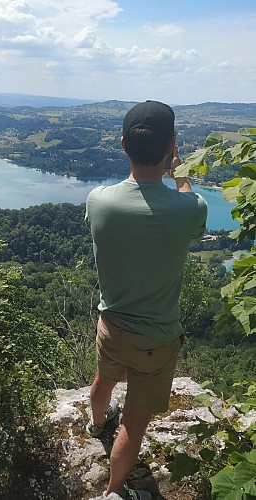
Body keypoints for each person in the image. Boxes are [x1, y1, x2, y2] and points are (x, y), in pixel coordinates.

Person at [85, 100, 208, 500]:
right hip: (156, 339)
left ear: (122, 144)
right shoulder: (189, 209)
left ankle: (95, 424)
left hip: (111, 325)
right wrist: (181, 174)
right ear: (172, 147)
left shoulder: (99, 200)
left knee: (103, 379)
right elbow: (189, 200)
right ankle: (116, 491)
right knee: (134, 423)